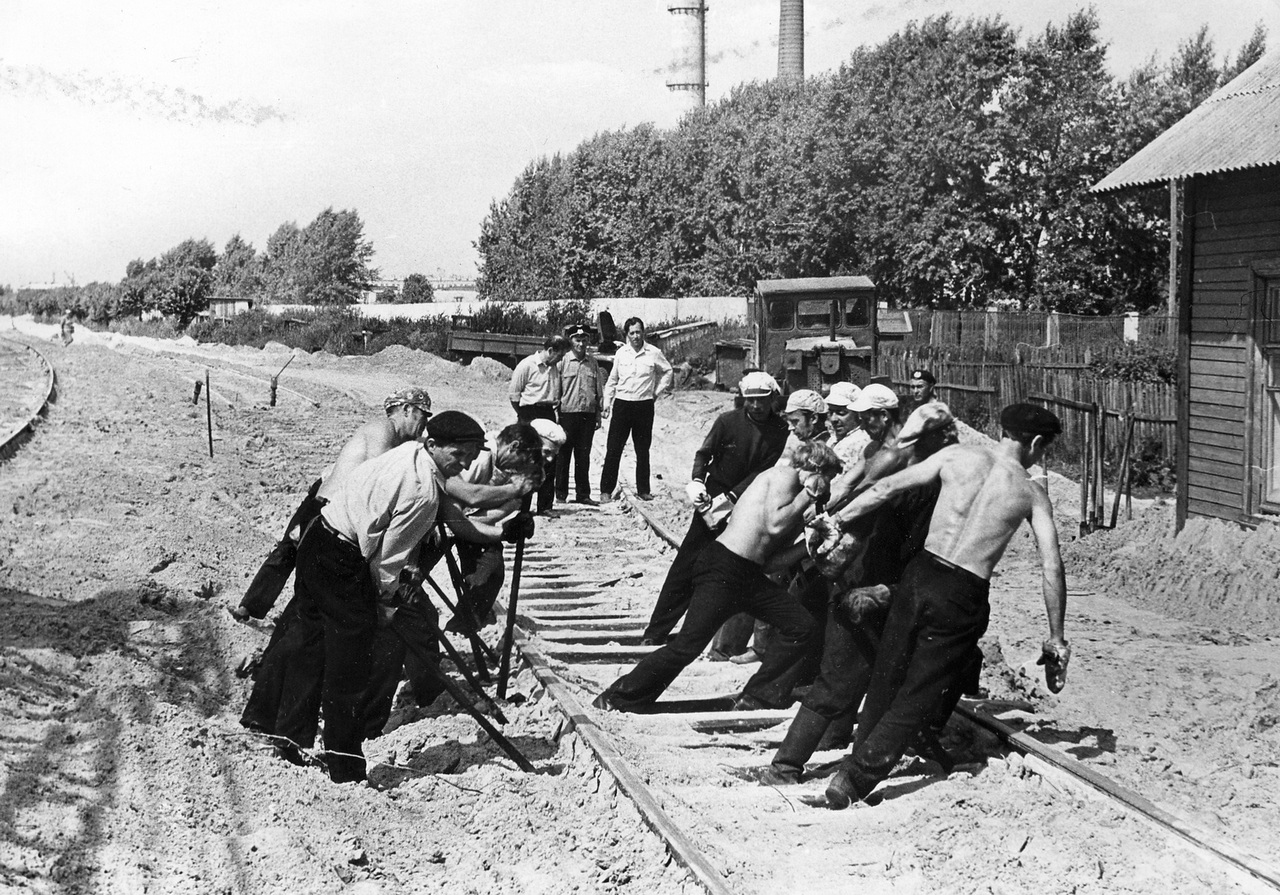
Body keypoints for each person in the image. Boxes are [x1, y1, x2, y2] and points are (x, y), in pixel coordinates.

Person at [818, 403, 1069, 808]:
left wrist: (836, 521)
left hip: (920, 575)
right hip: (963, 590)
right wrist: (1056, 637)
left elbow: (883, 488)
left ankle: (856, 756)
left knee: (887, 672)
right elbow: (1051, 566)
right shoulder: (1031, 493)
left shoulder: (957, 456)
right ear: (1037, 443)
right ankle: (855, 778)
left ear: (1001, 431)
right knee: (920, 689)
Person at [240, 411, 488, 783]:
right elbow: (387, 560)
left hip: (318, 537)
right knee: (350, 668)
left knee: (309, 644)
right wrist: (385, 605)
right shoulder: (422, 490)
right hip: (342, 557)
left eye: (471, 455)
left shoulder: (410, 453)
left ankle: (288, 738)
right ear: (434, 444)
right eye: (459, 453)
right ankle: (345, 768)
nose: (465, 463)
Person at [760, 402, 959, 784]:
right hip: (871, 585)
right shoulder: (909, 477)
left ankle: (841, 746)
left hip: (880, 584)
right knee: (843, 678)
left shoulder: (901, 468)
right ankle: (786, 766)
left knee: (868, 676)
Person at [592, 441, 843, 713]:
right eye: (827, 479)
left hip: (748, 575)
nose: (826, 489)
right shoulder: (785, 477)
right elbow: (774, 525)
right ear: (817, 470)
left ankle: (759, 696)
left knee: (802, 626)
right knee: (687, 646)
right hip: (723, 568)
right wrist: (809, 494)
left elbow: (770, 562)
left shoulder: (794, 501)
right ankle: (617, 696)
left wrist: (809, 547)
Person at [232, 387, 433, 622]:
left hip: (337, 509)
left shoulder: (401, 441)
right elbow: (378, 475)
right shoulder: (383, 429)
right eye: (423, 414)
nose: (425, 423)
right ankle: (251, 608)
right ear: (406, 409)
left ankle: (283, 620)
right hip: (326, 504)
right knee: (290, 555)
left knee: (306, 568)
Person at [641, 371, 789, 645]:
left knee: (731, 567)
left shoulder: (779, 430)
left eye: (762, 400)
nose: (756, 405)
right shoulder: (727, 421)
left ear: (773, 399)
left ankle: (711, 636)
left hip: (750, 499)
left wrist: (735, 496)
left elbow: (763, 469)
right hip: (715, 497)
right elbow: (704, 454)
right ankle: (655, 632)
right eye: (751, 400)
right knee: (689, 561)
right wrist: (698, 481)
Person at [598, 318, 673, 501]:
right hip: (622, 405)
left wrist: (656, 392)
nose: (636, 336)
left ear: (643, 333)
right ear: (627, 335)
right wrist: (607, 402)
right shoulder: (621, 353)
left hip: (644, 405)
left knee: (642, 450)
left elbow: (668, 371)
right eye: (632, 333)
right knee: (614, 448)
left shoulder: (653, 353)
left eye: (638, 332)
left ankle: (643, 490)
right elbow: (612, 380)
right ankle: (606, 490)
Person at [556, 324, 604, 504]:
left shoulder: (593, 363)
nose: (581, 344)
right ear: (571, 341)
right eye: (577, 340)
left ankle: (583, 494)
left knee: (583, 456)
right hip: (567, 414)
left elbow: (598, 391)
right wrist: (556, 414)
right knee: (563, 456)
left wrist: (598, 414)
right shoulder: (563, 361)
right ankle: (561, 494)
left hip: (587, 415)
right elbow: (556, 389)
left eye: (584, 340)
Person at [509, 335, 570, 424]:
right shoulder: (527, 365)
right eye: (560, 356)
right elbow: (514, 395)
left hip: (548, 414)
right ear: (550, 350)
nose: (561, 360)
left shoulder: (555, 368)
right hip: (529, 413)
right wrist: (523, 414)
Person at [775, 389, 830, 467]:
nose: (790, 428)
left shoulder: (830, 443)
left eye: (795, 421)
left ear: (813, 418)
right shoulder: (795, 438)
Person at [825, 382, 870, 469]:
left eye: (841, 413)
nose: (833, 419)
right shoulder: (835, 438)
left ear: (857, 413)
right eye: (830, 412)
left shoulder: (859, 442)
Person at [529, 418, 567, 516]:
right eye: (547, 452)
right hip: (530, 418)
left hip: (548, 418)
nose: (550, 458)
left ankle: (545, 507)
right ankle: (523, 508)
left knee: (549, 472)